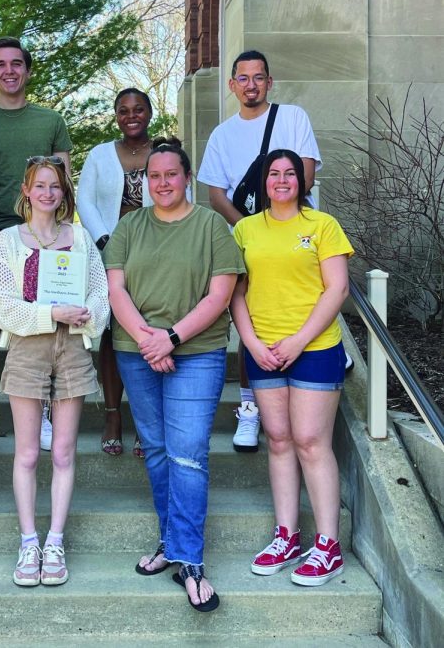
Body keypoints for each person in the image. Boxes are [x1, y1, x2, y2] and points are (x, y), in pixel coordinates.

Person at [104, 137, 244, 612]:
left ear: (187, 177)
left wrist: (172, 339)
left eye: (171, 174)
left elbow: (219, 295)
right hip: (135, 351)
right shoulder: (130, 226)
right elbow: (116, 289)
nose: (162, 183)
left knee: (187, 455)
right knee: (159, 451)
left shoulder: (212, 226)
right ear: (146, 181)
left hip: (197, 352)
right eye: (154, 175)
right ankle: (170, 542)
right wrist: (149, 339)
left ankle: (190, 560)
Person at [230, 149, 353, 586]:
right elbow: (236, 294)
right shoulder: (245, 229)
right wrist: (251, 344)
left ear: (302, 181)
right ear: (263, 182)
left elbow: (337, 288)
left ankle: (328, 547)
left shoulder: (322, 226)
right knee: (279, 440)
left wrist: (299, 340)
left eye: (290, 173)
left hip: (315, 347)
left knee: (310, 441)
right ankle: (286, 537)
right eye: (274, 174)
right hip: (263, 350)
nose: (282, 180)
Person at [0, 157, 109, 586]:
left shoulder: (79, 238)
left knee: (62, 452)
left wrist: (85, 314)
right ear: (26, 190)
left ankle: (54, 540)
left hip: (72, 347)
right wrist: (50, 312)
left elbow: (101, 293)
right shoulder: (8, 241)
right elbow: (2, 305)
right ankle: (28, 542)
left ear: (63, 193)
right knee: (25, 452)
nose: (47, 193)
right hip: (27, 347)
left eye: (54, 186)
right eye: (39, 185)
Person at [197, 50, 322, 452]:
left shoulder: (292, 118)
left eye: (259, 77)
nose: (251, 85)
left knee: (308, 294)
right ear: (232, 85)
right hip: (248, 233)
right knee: (249, 314)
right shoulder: (221, 134)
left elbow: (305, 172)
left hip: (299, 229)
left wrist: (284, 224)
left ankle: (326, 349)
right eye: (243, 78)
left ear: (270, 82)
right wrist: (250, 229)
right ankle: (249, 407)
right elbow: (215, 195)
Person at [0, 37, 72, 455]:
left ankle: (42, 412)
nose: (9, 71)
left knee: (43, 327)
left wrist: (61, 233)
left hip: (42, 234)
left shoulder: (50, 121)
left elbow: (63, 180)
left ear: (27, 70)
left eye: (16, 64)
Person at [77, 87, 154, 457]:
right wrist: (105, 239)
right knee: (111, 334)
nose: (131, 115)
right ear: (116, 116)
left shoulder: (164, 153)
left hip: (156, 255)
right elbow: (84, 200)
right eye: (123, 110)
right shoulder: (99, 155)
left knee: (147, 333)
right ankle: (112, 415)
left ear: (150, 113)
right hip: (109, 254)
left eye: (138, 109)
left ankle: (144, 419)